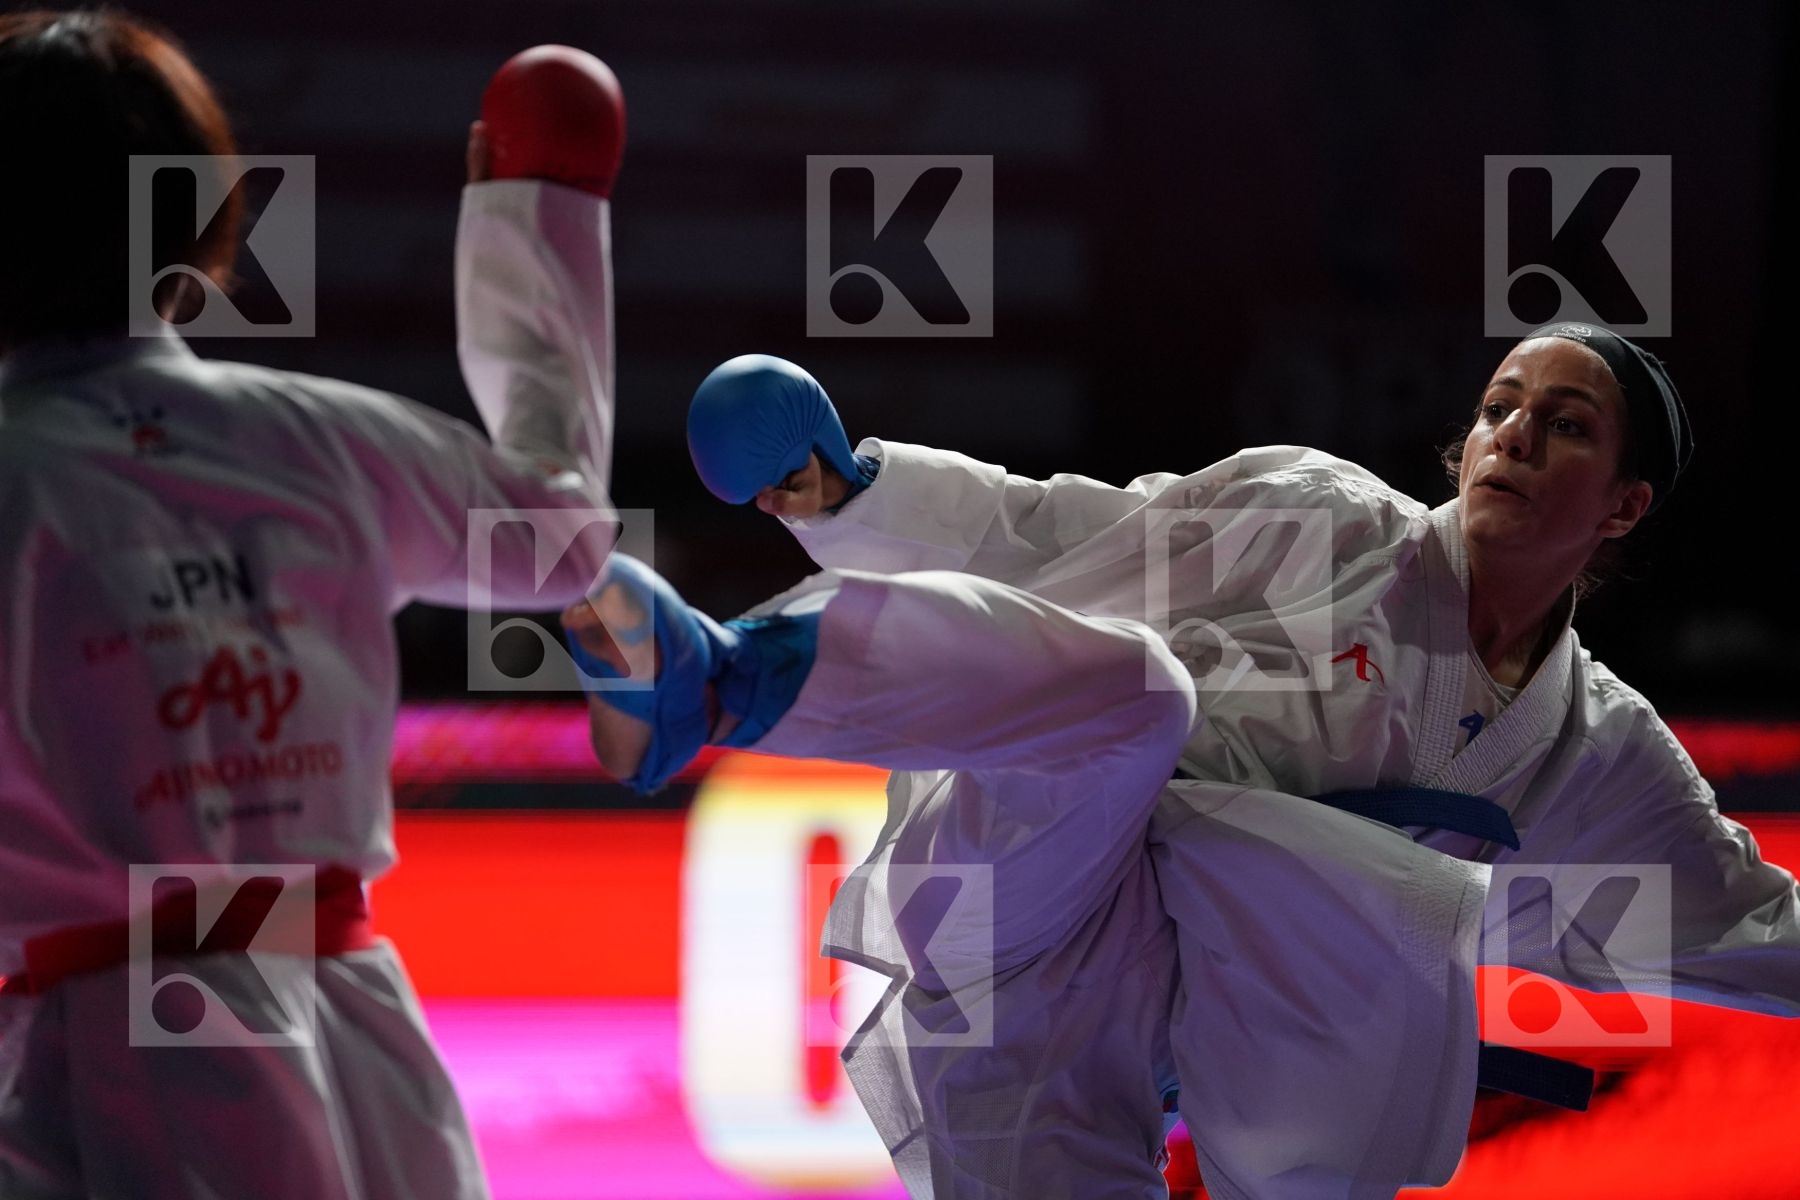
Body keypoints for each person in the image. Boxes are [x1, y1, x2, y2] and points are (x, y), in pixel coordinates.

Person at [652, 335, 1800, 1199]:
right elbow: (1059, 540)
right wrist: (850, 492)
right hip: (1042, 878)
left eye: (1566, 425)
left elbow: (1754, 933)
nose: (1515, 435)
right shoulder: (1320, 520)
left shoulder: (1600, 753)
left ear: (1624, 507)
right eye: (1501, 408)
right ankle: (735, 676)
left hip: (1111, 1045)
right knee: (1135, 698)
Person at [0, 11, 619, 1198]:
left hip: (95, 1083)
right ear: (203, 223)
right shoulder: (320, 442)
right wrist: (539, 220)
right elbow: (566, 542)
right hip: (360, 1053)